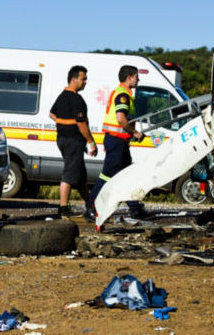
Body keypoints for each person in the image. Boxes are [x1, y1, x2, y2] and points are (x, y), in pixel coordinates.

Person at [85, 65, 144, 219]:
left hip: (120, 141)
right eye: (137, 76)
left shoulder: (124, 93)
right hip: (116, 140)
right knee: (107, 175)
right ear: (129, 77)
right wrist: (135, 132)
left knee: (127, 174)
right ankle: (91, 207)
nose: (138, 79)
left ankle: (134, 206)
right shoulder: (123, 95)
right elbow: (121, 118)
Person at [49, 65, 98, 216]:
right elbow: (81, 123)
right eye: (83, 79)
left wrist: (63, 123)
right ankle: (63, 208)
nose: (85, 82)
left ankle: (90, 205)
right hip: (73, 141)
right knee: (70, 174)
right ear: (74, 79)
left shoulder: (62, 95)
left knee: (80, 176)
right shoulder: (76, 99)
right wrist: (91, 141)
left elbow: (52, 114)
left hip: (63, 139)